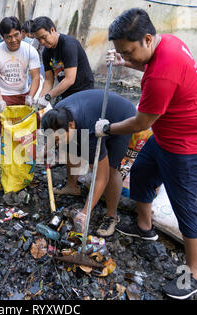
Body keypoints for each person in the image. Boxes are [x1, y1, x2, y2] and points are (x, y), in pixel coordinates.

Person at [95, 8, 197, 299]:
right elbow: (149, 65)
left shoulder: (159, 77)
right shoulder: (169, 44)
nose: (127, 56)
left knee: (185, 205)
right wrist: (126, 61)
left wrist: (108, 128)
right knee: (141, 173)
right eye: (121, 52)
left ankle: (193, 274)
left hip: (189, 145)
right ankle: (144, 226)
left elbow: (141, 122)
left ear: (147, 38)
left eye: (128, 51)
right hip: (168, 134)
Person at [42, 89, 136, 237]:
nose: (56, 141)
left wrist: (85, 213)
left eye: (58, 138)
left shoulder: (88, 132)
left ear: (72, 125)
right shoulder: (58, 115)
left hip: (122, 116)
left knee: (110, 170)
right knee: (68, 145)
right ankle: (72, 186)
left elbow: (101, 177)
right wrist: (47, 148)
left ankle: (111, 216)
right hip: (94, 113)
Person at [0, 16, 40, 132]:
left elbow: (36, 77)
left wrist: (31, 96)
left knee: (31, 125)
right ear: (2, 37)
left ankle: (30, 149)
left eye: (16, 35)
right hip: (5, 96)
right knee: (6, 129)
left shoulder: (30, 50)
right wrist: (0, 100)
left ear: (22, 33)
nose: (13, 40)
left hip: (24, 94)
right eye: (8, 37)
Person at [32, 16, 94, 108]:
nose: (42, 42)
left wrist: (48, 96)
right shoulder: (46, 52)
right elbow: (49, 80)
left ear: (52, 30)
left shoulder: (68, 45)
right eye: (38, 39)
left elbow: (69, 79)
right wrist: (40, 98)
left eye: (44, 37)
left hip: (83, 92)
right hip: (65, 92)